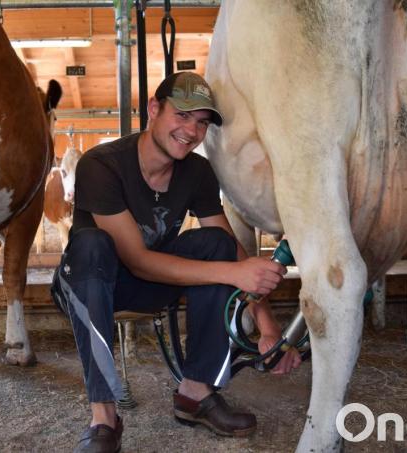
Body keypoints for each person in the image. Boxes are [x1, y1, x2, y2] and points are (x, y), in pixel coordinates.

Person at [50, 72, 302, 453]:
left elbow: (230, 250)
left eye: (201, 122)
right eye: (182, 116)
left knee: (217, 242)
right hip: (90, 283)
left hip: (148, 284)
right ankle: (103, 419)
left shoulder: (197, 172)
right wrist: (234, 272)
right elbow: (137, 260)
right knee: (91, 244)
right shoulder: (100, 165)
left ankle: (195, 394)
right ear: (154, 109)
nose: (191, 130)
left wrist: (268, 327)